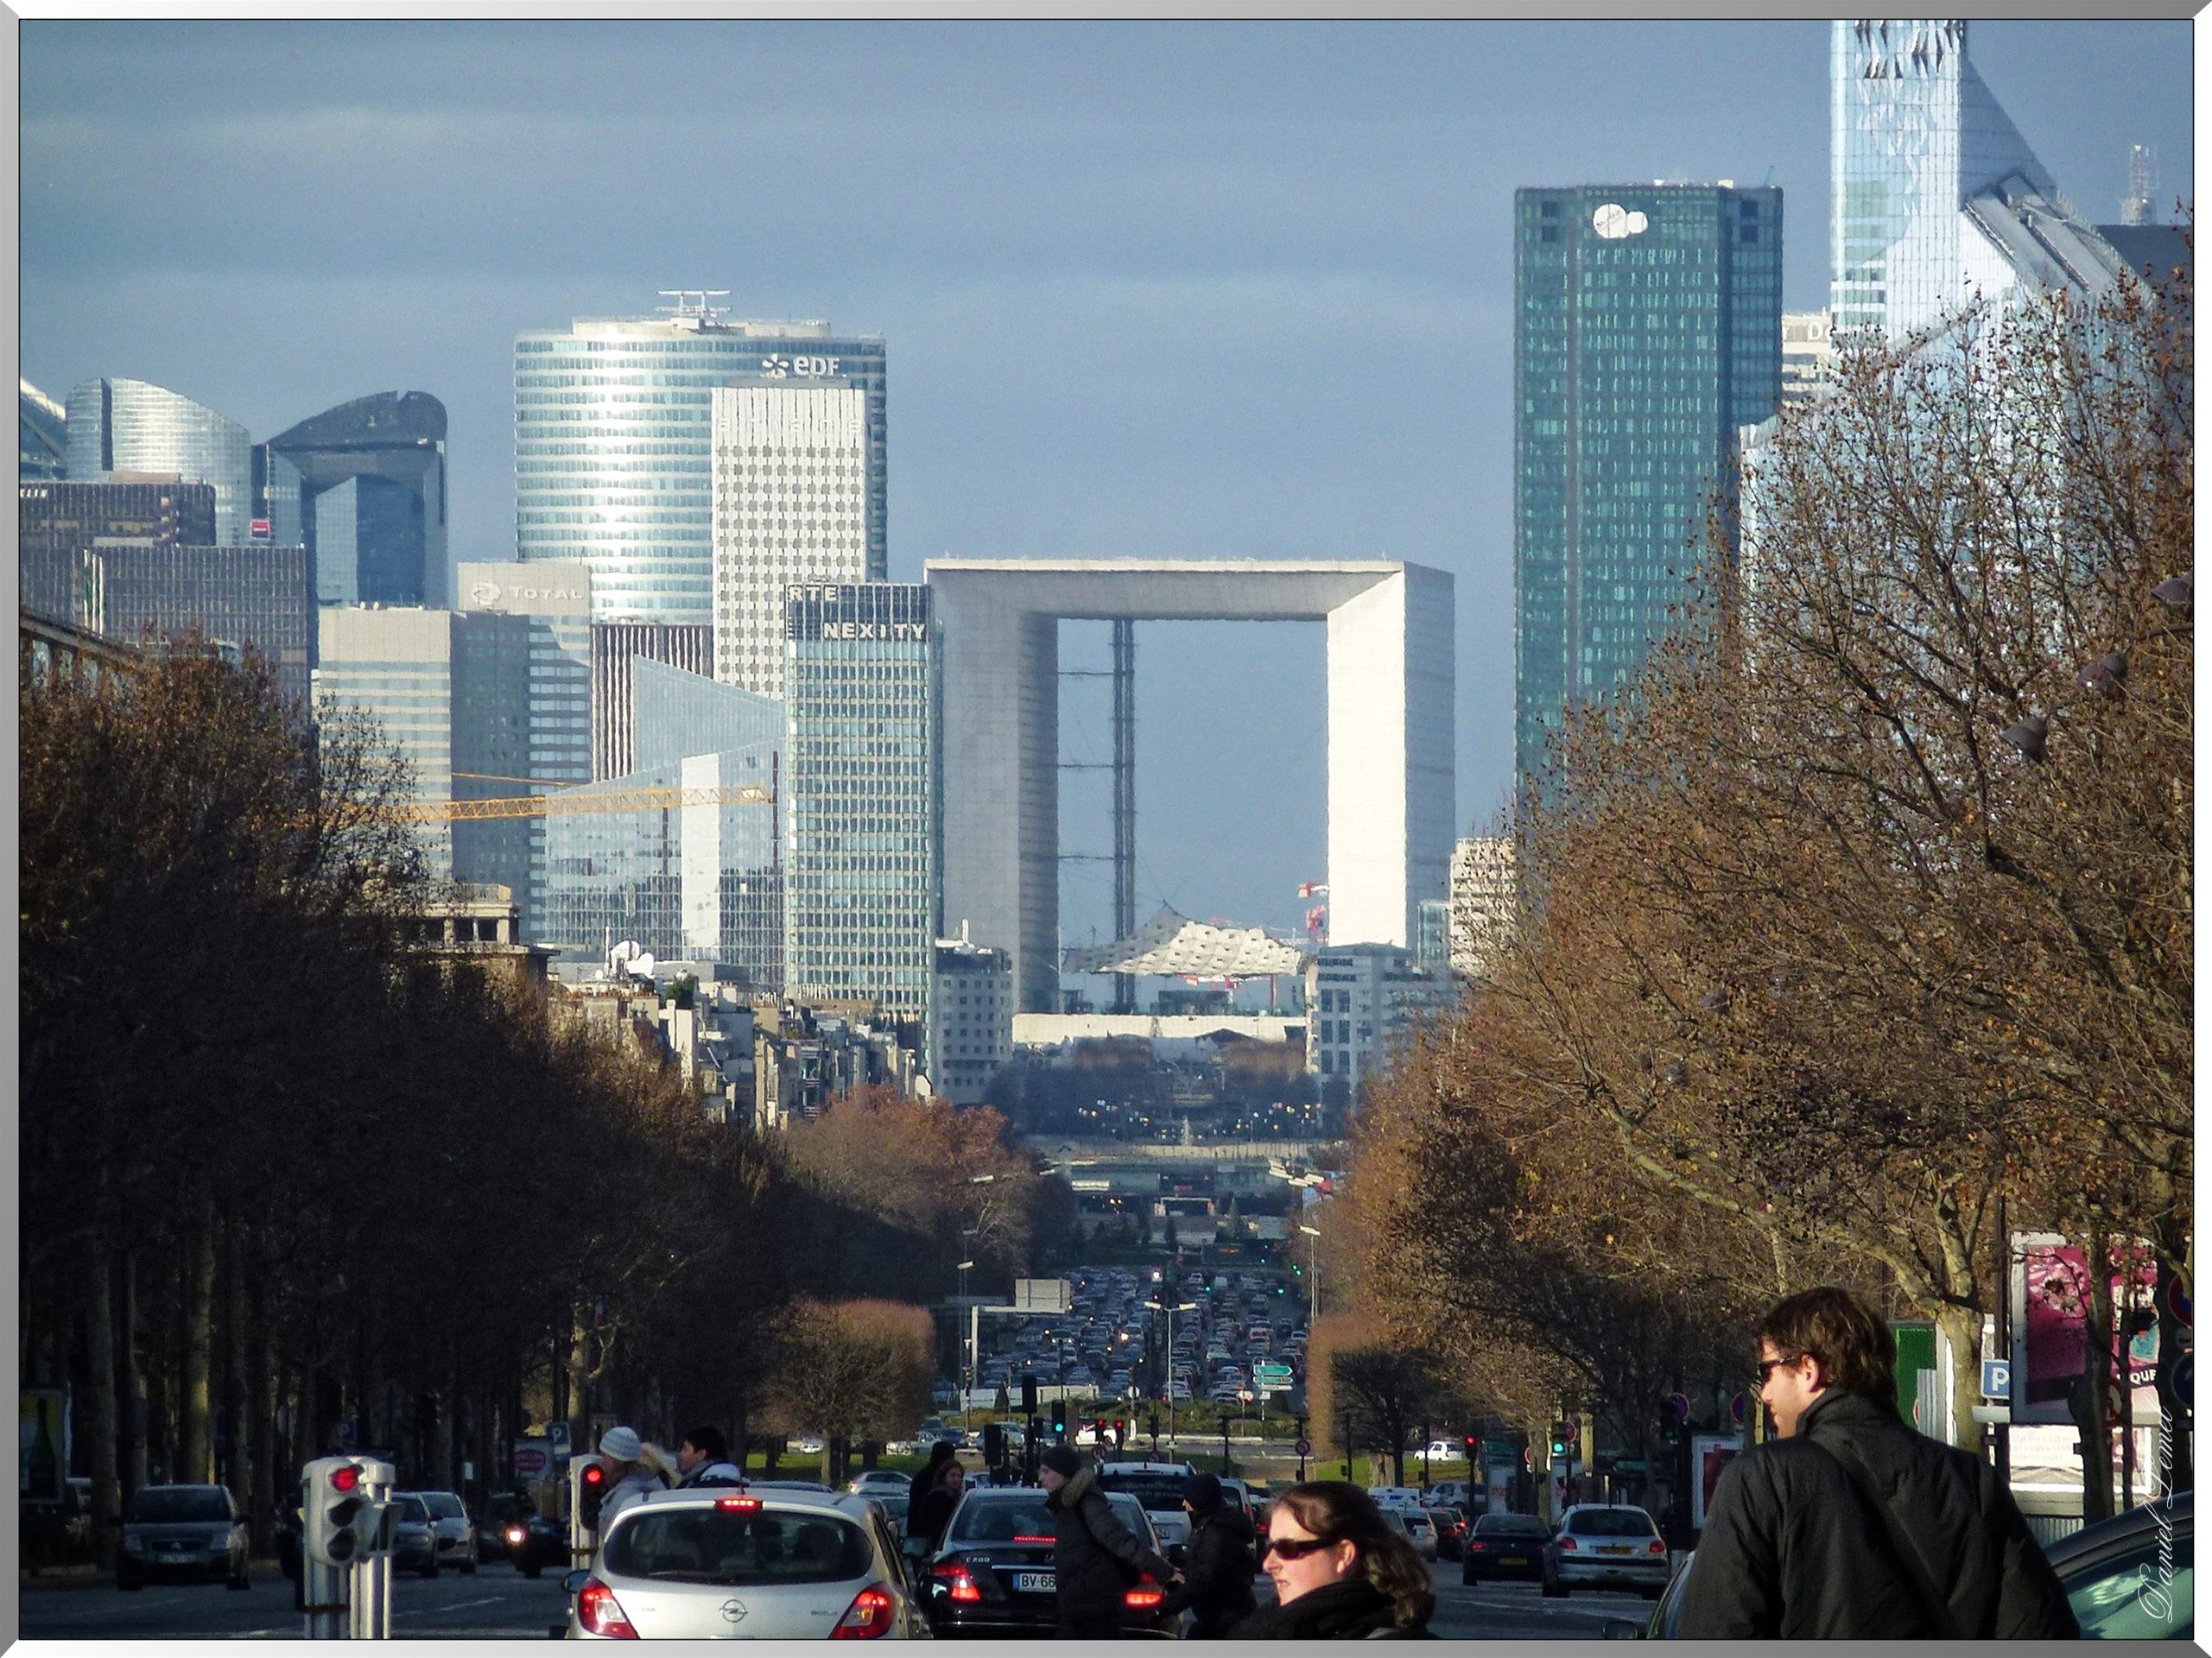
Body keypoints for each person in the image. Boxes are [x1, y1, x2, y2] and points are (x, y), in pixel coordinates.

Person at [1677, 1284, 2080, 1639]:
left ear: (1807, 1370)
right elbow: (2038, 1627)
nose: (1763, 1393)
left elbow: (1717, 1631)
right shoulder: (1971, 1480)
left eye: (1767, 1371)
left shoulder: (1762, 1480)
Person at [1230, 1481, 1434, 1638]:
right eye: (1270, 1547)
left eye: (1287, 1549)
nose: (1268, 1564)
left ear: (1343, 1554)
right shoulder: (1267, 1626)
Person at [1040, 1446, 1180, 1639]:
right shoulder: (1069, 1506)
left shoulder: (1086, 1503)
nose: (1041, 1478)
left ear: (1064, 1473)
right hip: (1082, 1605)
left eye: (1046, 1471)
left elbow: (1119, 1539)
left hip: (1093, 1604)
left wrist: (1162, 1570)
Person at [1160, 1472, 1258, 1638]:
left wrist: (1166, 1608)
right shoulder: (1211, 1524)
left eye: (1188, 1498)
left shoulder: (1217, 1530)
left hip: (1224, 1617)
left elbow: (1205, 1578)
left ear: (1200, 1499)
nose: (1184, 1503)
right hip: (1220, 1616)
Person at [595, 1427, 673, 1530]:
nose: (602, 1461)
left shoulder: (624, 1497)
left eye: (605, 1456)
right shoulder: (651, 1483)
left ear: (618, 1460)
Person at [910, 1456, 967, 1554]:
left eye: (959, 1476)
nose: (956, 1479)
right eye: (952, 1476)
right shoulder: (939, 1496)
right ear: (944, 1477)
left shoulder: (957, 1496)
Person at [674, 1425, 745, 1489]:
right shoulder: (737, 1482)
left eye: (685, 1449)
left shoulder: (701, 1487)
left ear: (701, 1454)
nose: (681, 1454)